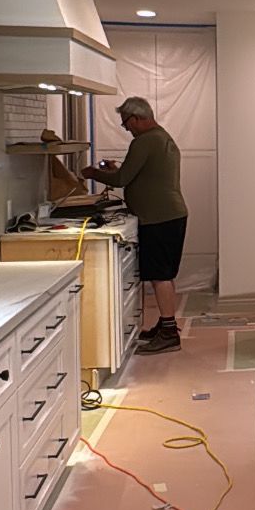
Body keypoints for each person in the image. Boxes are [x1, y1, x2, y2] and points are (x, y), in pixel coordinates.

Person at [82, 96, 188, 354]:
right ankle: (166, 324)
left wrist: (94, 173)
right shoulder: (162, 137)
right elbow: (139, 174)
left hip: (158, 217)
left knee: (161, 276)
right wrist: (115, 170)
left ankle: (169, 333)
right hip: (169, 215)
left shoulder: (144, 140)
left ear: (137, 118)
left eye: (126, 123)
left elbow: (121, 179)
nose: (126, 128)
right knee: (164, 275)